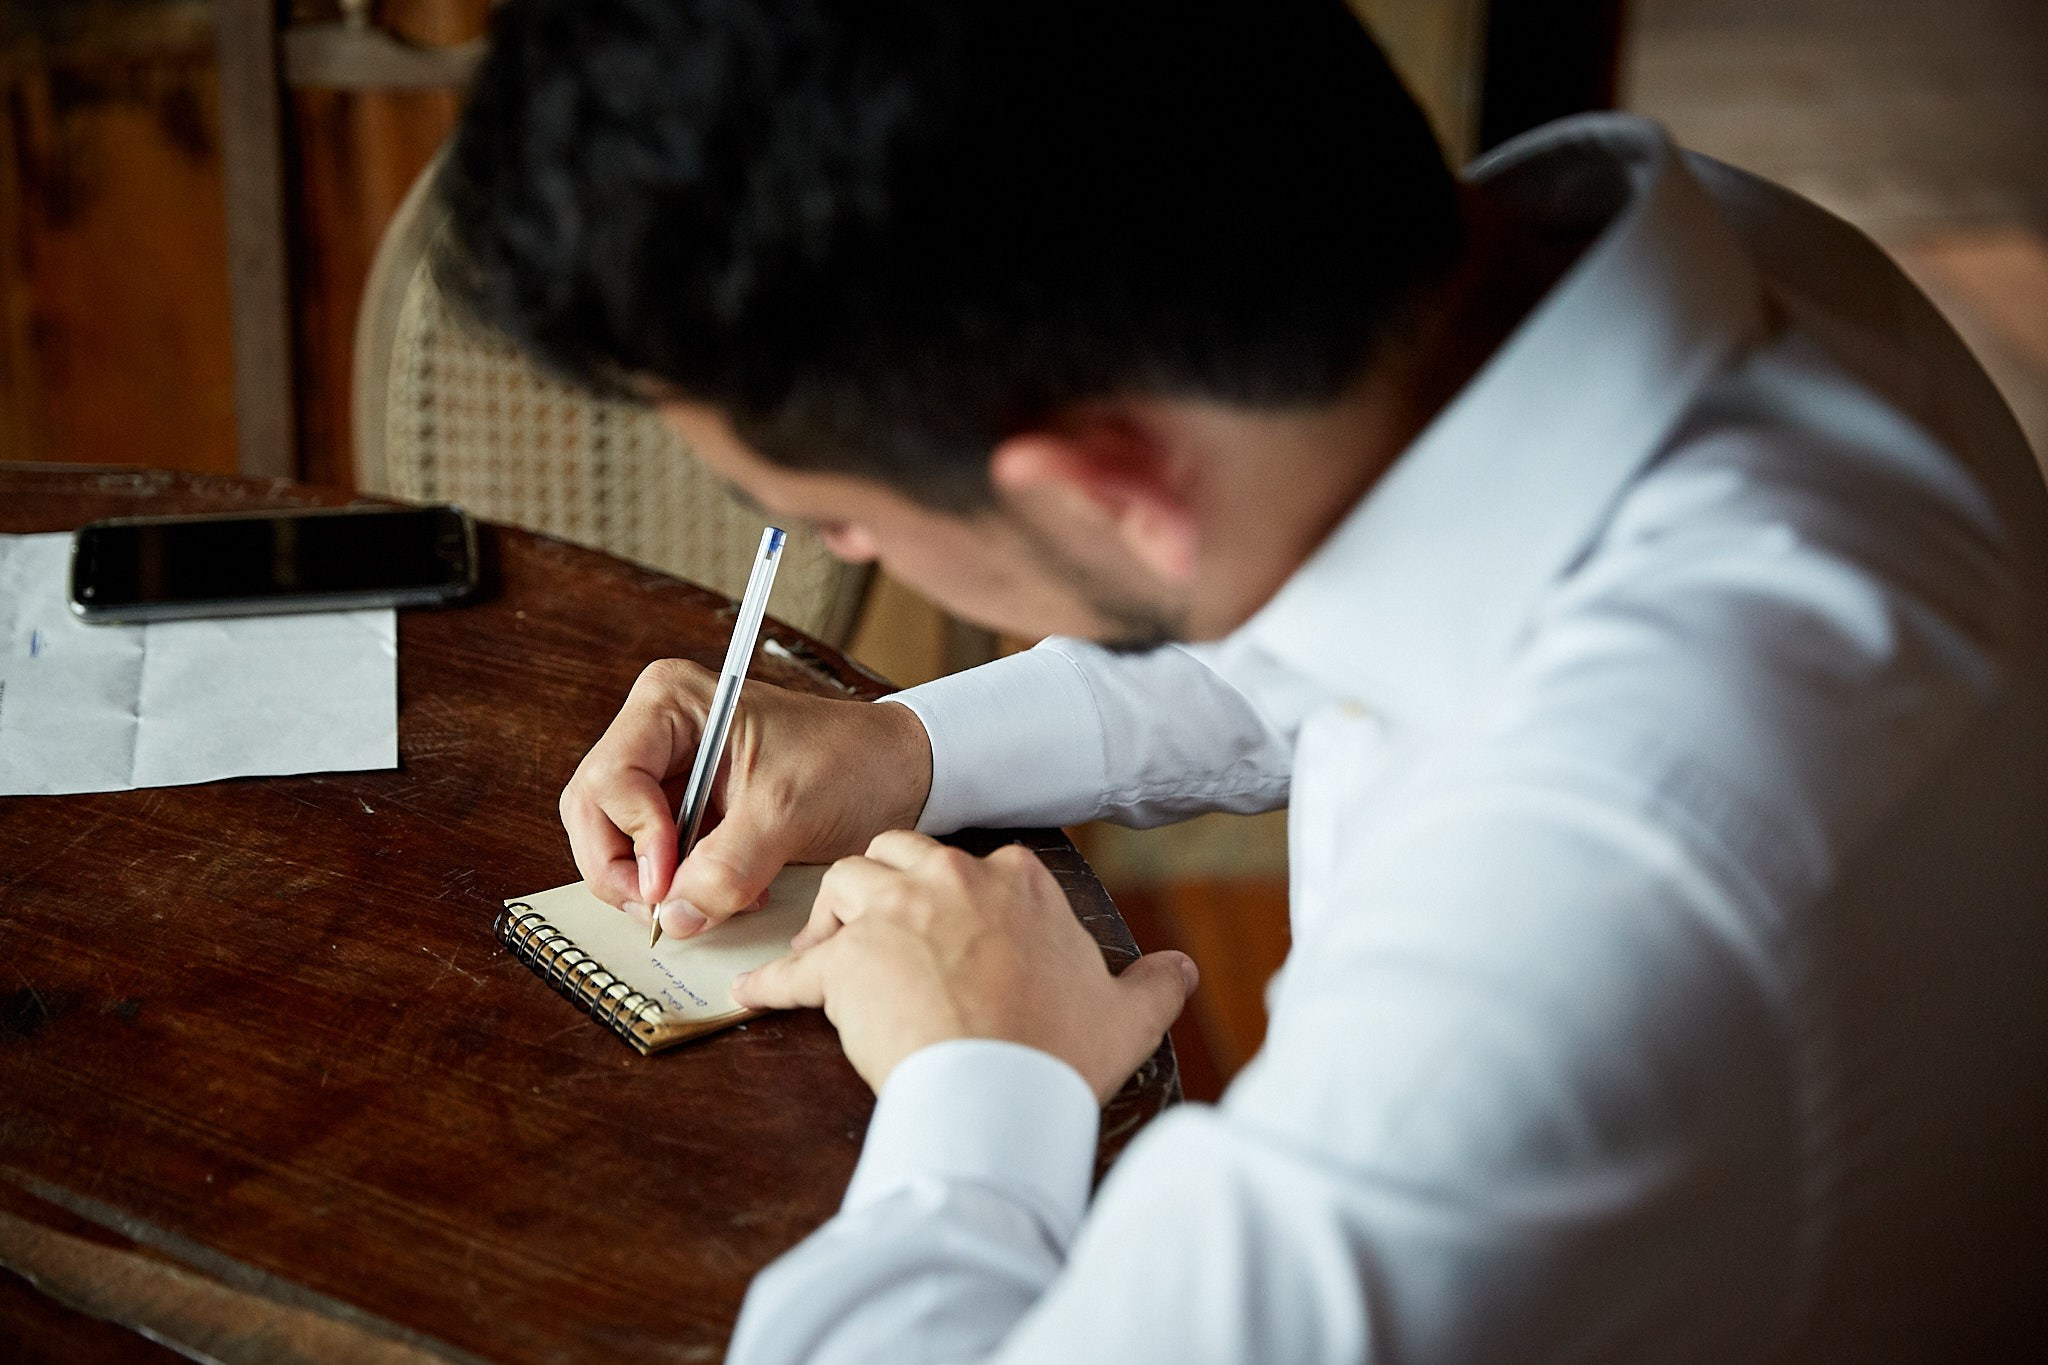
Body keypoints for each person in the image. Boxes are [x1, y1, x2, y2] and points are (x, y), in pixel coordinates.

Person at [436, 0, 2048, 1359]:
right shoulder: (1688, 277)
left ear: (1110, 484)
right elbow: (1310, 606)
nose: (829, 536)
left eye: (824, 512)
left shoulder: (1578, 911)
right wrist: (898, 747)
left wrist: (977, 1089)